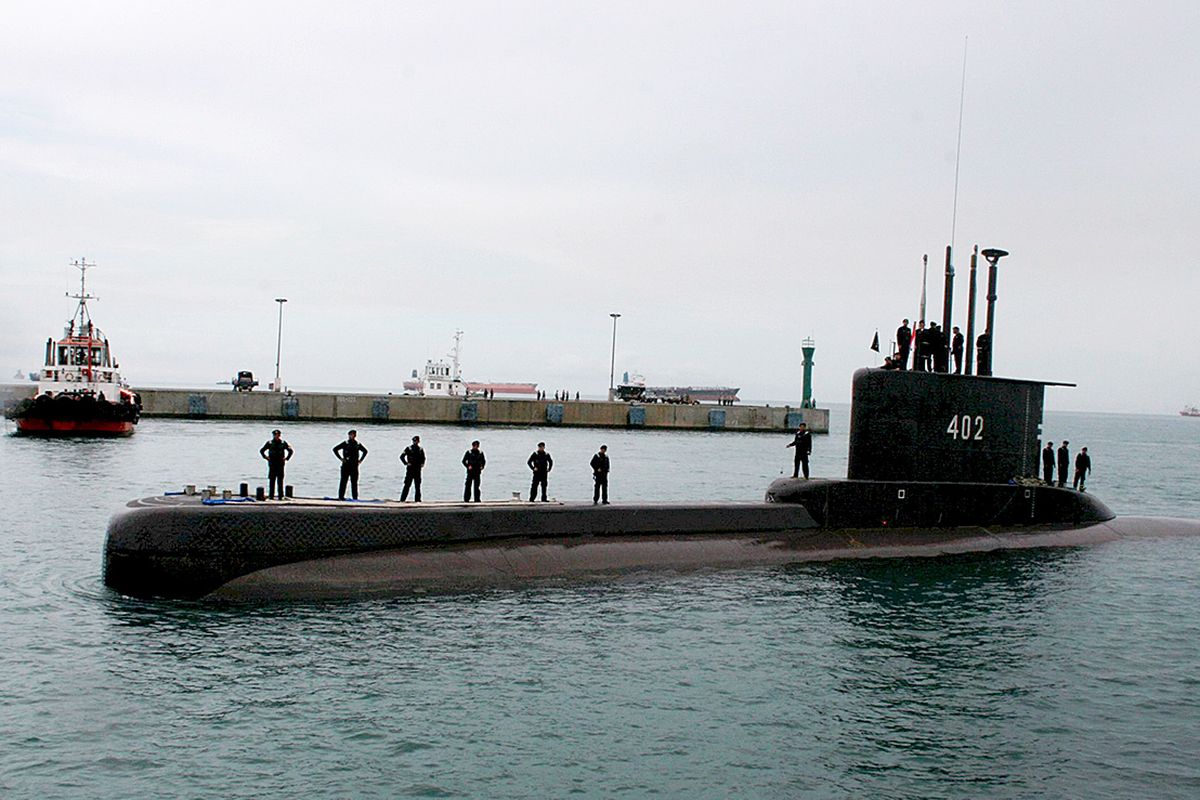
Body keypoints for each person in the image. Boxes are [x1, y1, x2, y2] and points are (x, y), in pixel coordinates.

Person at [332, 429, 368, 500]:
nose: (352, 436)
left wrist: (360, 460)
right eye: (351, 435)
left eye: (353, 435)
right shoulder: (345, 443)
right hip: (346, 465)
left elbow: (365, 451)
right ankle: (341, 497)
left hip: (354, 465)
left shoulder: (357, 444)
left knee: (354, 482)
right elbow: (335, 449)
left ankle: (355, 498)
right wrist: (341, 458)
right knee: (343, 481)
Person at [259, 429, 293, 499]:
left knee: (280, 479)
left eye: (277, 435)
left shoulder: (283, 443)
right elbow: (262, 450)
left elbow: (291, 451)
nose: (276, 436)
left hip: (280, 463)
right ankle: (271, 495)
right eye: (275, 435)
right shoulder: (270, 443)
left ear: (279, 435)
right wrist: (265, 457)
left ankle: (281, 496)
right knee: (272, 479)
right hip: (272, 463)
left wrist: (286, 458)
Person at [399, 435, 426, 502]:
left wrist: (422, 464)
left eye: (416, 441)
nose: (415, 442)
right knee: (407, 485)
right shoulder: (408, 448)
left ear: (418, 441)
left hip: (417, 469)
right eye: (414, 441)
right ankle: (402, 500)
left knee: (417, 486)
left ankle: (418, 500)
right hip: (410, 469)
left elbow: (423, 458)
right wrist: (406, 463)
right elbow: (401, 456)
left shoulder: (420, 449)